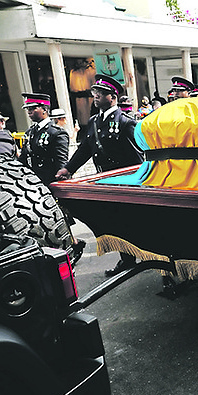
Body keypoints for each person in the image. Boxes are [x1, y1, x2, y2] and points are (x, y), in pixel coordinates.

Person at [55, 74, 143, 276]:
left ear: (112, 97)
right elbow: (84, 150)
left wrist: (141, 185)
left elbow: (138, 158)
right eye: (95, 94)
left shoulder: (126, 122)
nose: (95, 98)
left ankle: (148, 259)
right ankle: (127, 259)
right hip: (103, 182)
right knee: (115, 223)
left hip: (125, 183)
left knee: (134, 223)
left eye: (100, 94)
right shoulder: (94, 121)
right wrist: (68, 169)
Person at [20, 93, 69, 187]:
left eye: (33, 108)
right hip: (33, 181)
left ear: (45, 109)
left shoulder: (56, 132)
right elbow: (23, 157)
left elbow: (61, 161)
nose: (29, 112)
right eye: (28, 109)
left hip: (50, 181)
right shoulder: (30, 132)